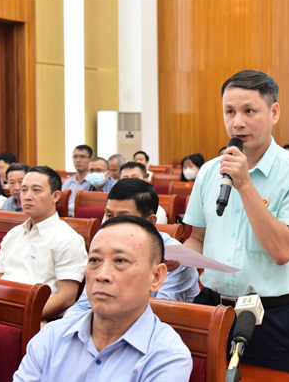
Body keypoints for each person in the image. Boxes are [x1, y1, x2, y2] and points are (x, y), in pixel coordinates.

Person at [183, 70, 289, 373]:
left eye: (249, 111)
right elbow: (198, 239)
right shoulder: (209, 172)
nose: (237, 122)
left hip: (269, 315)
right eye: (229, 111)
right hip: (211, 307)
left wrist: (245, 184)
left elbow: (283, 251)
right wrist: (174, 257)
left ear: (274, 112)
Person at [14, 215, 192, 381]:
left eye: (120, 261)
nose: (101, 275)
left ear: (156, 277)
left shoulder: (167, 357)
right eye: (94, 260)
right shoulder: (52, 337)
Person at [63, 178, 200, 319]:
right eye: (109, 215)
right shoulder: (103, 247)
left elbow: (160, 313)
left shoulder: (174, 259)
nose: (113, 224)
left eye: (124, 217)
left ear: (150, 222)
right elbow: (84, 304)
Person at [0, 166, 87, 319]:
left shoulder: (68, 239)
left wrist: (22, 317)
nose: (27, 196)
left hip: (36, 318)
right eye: (24, 190)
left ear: (55, 196)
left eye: (36, 190)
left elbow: (67, 297)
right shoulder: (13, 234)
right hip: (2, 312)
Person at [62, 145, 94, 216]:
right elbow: (61, 203)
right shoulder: (68, 182)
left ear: (90, 159)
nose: (78, 160)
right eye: (75, 157)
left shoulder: (94, 182)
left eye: (82, 157)